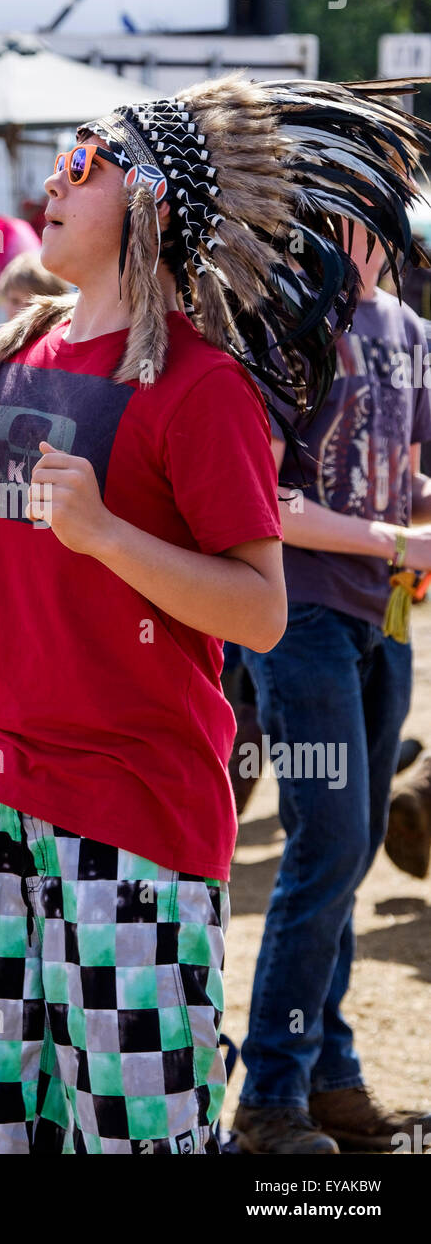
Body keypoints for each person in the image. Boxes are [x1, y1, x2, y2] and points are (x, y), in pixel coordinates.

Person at [0, 73, 431, 1155]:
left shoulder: (200, 387)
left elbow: (258, 611)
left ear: (153, 201)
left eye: (84, 159)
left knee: (128, 1128)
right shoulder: (5, 351)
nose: (52, 178)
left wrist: (111, 536)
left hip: (136, 819)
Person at [233, 220, 431, 1154]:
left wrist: (406, 528)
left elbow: (406, 478)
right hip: (301, 616)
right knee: (331, 847)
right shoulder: (284, 319)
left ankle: (332, 1074)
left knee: (346, 856)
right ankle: (273, 1094)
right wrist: (393, 541)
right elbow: (263, 500)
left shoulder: (406, 327)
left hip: (380, 621)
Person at [0, 251, 71, 319]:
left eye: (31, 302)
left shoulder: (65, 333)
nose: (21, 311)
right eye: (15, 301)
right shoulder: (2, 333)